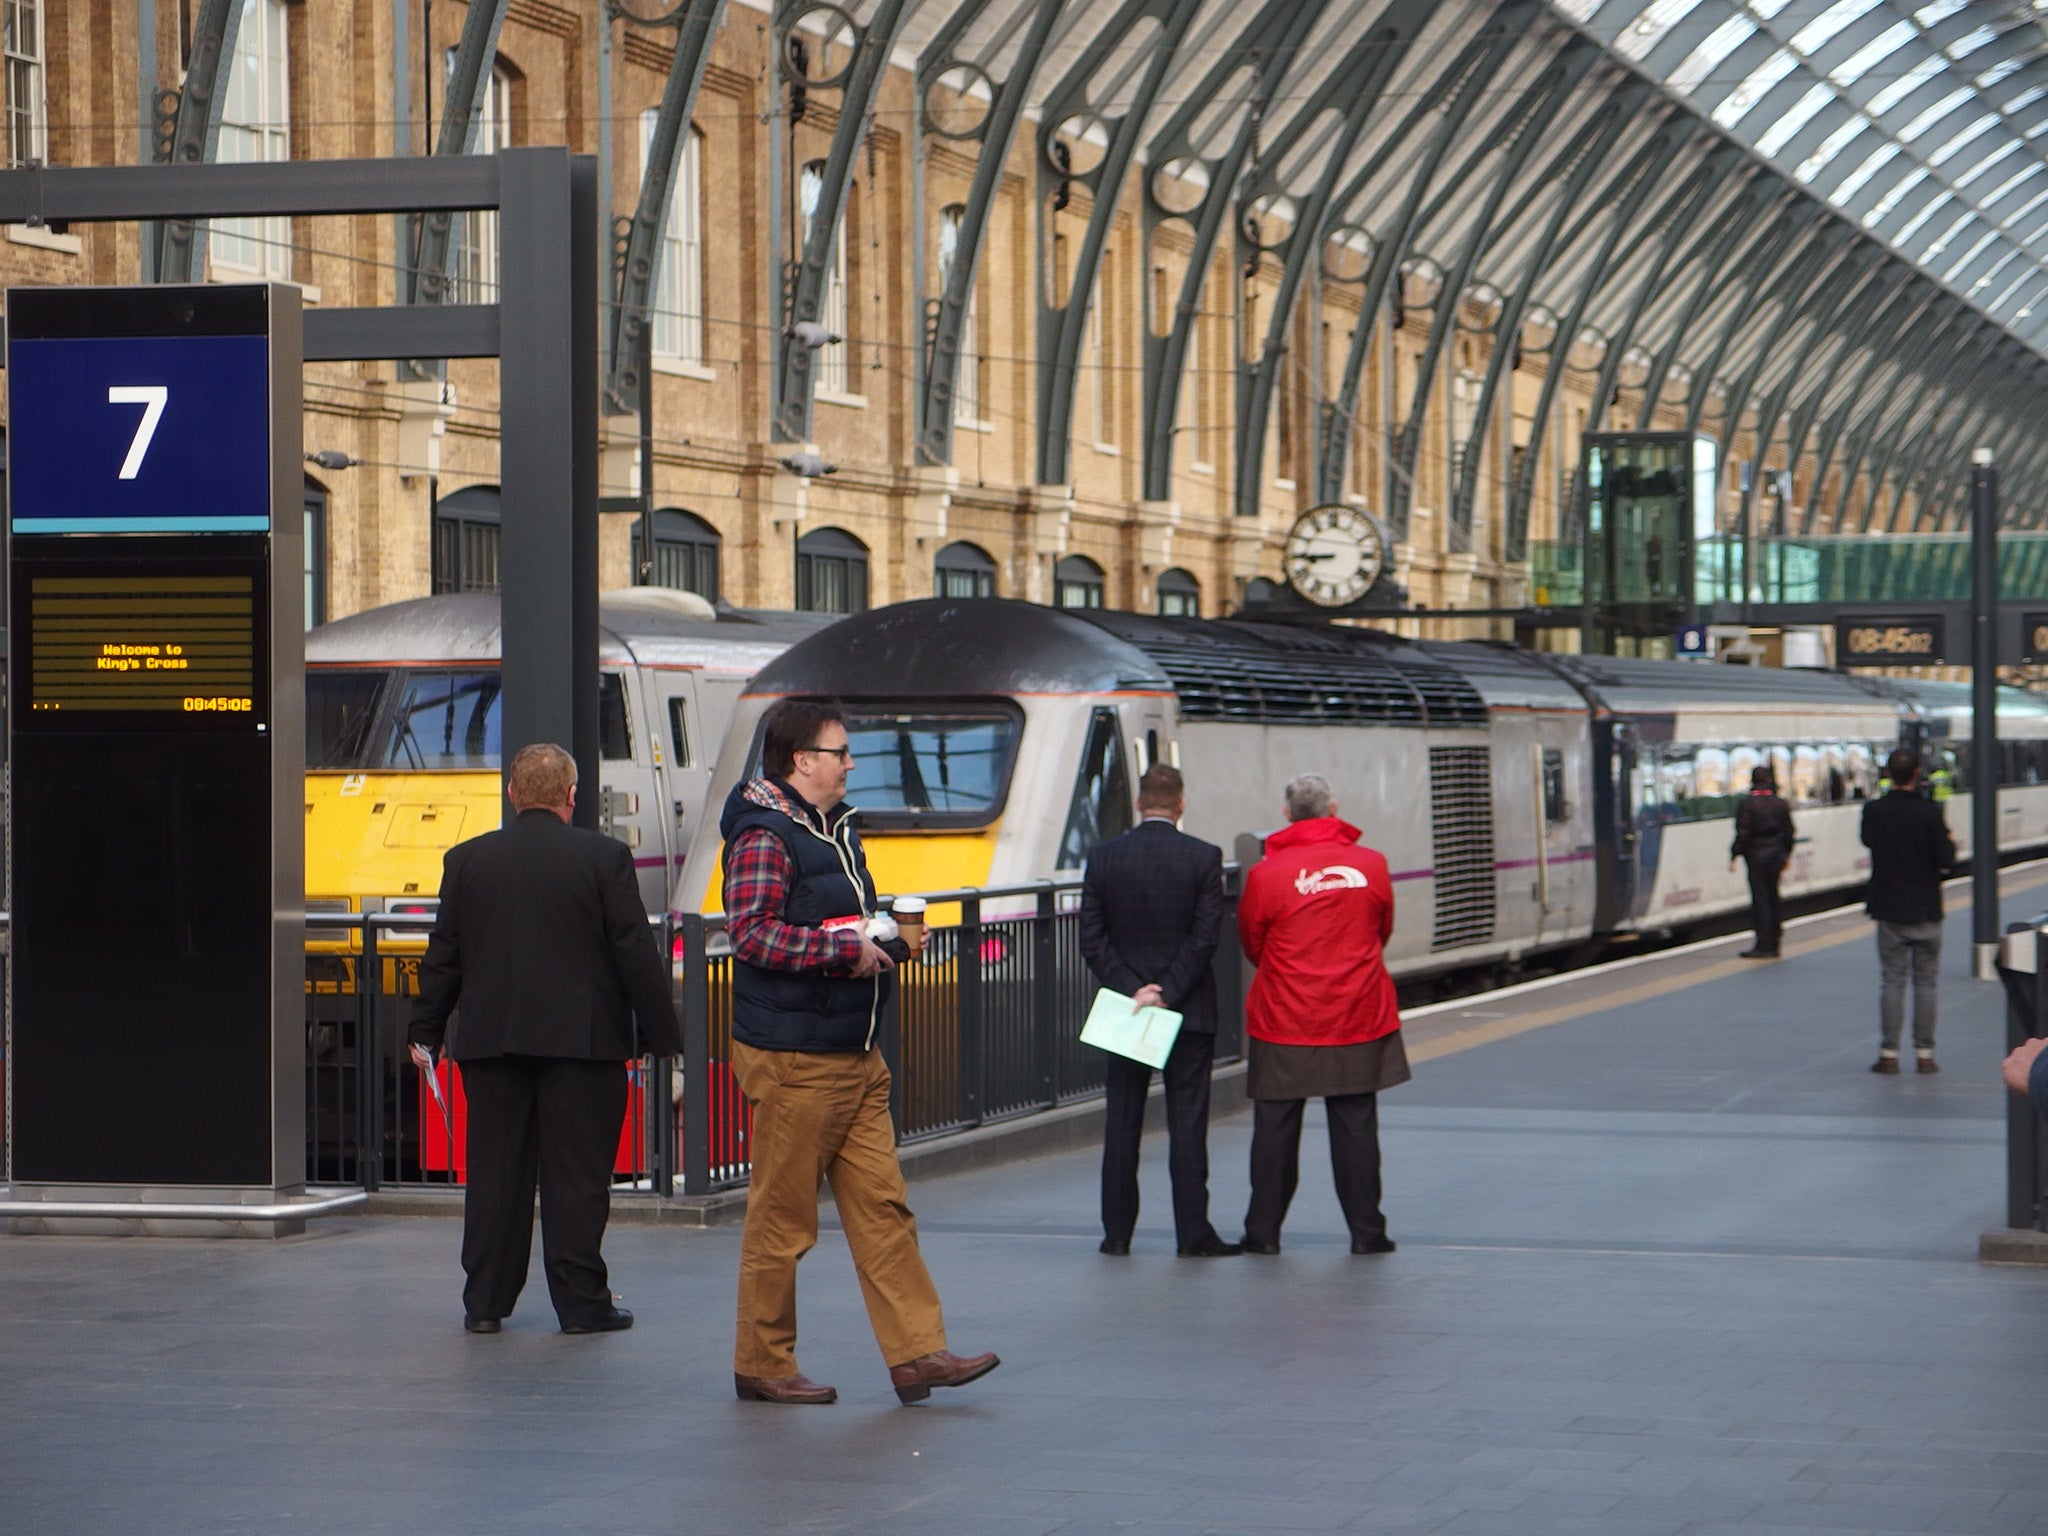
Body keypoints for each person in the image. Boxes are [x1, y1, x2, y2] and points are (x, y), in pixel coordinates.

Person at [720, 699, 997, 1407]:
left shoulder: (836, 829)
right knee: (783, 1220)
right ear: (801, 761)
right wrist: (848, 948)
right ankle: (762, 1361)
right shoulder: (764, 836)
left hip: (855, 1049)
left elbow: (834, 918)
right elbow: (751, 935)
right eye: (840, 752)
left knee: (884, 1209)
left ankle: (917, 1354)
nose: (850, 764)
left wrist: (886, 938)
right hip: (795, 1056)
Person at [408, 742, 681, 1335]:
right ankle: (582, 1306)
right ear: (571, 796)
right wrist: (664, 1035)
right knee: (577, 1178)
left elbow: (444, 957)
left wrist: (424, 1029)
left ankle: (485, 1303)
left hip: (491, 1044)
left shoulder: (467, 860)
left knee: (495, 1176)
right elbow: (634, 951)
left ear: (512, 793)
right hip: (582, 1047)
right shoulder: (604, 857)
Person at [1235, 773, 1409, 1256]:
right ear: (1334, 808)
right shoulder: (1371, 865)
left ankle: (1263, 1233)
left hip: (1284, 1017)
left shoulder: (1267, 874)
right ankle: (1367, 1233)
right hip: (1358, 1013)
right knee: (1355, 1127)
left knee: (1274, 1129)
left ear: (1287, 814)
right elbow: (1382, 929)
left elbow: (1253, 941)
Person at [1078, 763, 1235, 1258]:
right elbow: (1205, 937)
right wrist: (1166, 990)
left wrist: (1134, 991)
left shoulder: (1104, 858)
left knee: (1122, 1123)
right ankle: (1193, 1235)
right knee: (1187, 1126)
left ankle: (1117, 1235)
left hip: (1127, 1015)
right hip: (1188, 1013)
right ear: (1181, 804)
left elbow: (1092, 940)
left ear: (1140, 804)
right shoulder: (1203, 858)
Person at [1861, 747, 1956, 1075]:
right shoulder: (1930, 812)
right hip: (1926, 908)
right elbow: (1946, 860)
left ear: (1888, 774)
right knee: (1927, 982)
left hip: (1889, 909)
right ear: (1917, 774)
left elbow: (1869, 841)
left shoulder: (1874, 811)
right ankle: (1925, 1055)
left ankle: (1889, 1054)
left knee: (1892, 981)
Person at [1728, 765, 1795, 958]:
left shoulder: (1748, 804)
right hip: (1775, 854)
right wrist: (1785, 854)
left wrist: (1735, 854)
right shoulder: (1780, 803)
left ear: (1752, 780)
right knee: (1774, 897)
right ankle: (1775, 942)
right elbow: (1789, 832)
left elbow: (1743, 833)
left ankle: (1763, 944)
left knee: (1761, 900)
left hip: (1756, 855)